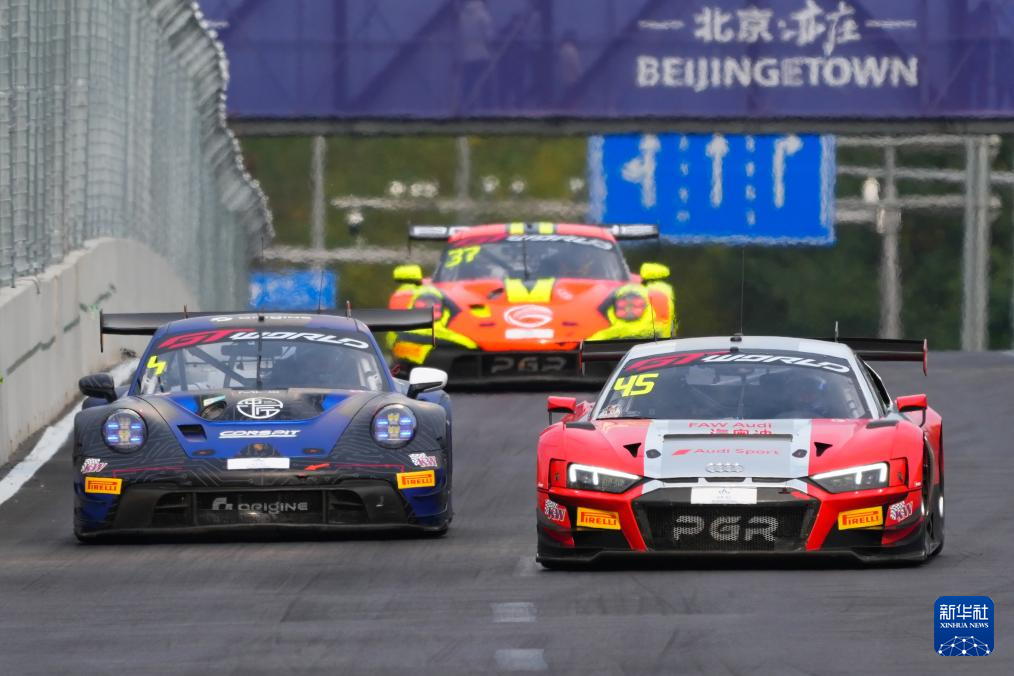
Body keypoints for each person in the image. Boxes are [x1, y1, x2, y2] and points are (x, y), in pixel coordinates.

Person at [458, 0, 494, 111]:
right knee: (485, 85)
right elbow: (489, 37)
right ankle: (486, 109)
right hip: (482, 54)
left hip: (467, 55)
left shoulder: (462, 15)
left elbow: (460, 35)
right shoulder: (483, 14)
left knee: (468, 84)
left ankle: (468, 108)